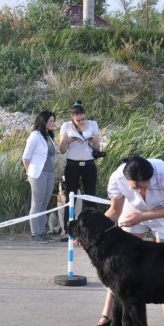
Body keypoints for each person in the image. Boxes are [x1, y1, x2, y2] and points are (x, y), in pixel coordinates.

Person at [93, 155, 164, 326]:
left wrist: (144, 217)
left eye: (146, 186)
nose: (142, 190)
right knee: (120, 268)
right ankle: (108, 315)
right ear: (126, 179)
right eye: (136, 187)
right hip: (132, 212)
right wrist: (95, 233)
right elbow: (114, 211)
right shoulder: (117, 178)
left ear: (152, 177)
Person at [59, 100, 102, 217]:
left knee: (91, 195)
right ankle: (69, 225)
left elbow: (97, 148)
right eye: (78, 120)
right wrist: (67, 141)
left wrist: (95, 141)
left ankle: (92, 223)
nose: (81, 122)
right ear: (72, 117)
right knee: (71, 195)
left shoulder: (93, 124)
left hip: (89, 163)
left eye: (83, 119)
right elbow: (62, 150)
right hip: (72, 164)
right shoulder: (66, 126)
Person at [22, 111, 57, 243]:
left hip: (50, 172)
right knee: (36, 203)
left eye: (54, 121)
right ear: (44, 122)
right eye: (51, 121)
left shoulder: (49, 136)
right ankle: (35, 233)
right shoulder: (35, 136)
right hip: (38, 173)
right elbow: (26, 157)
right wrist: (29, 173)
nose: (54, 123)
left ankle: (42, 231)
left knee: (44, 203)